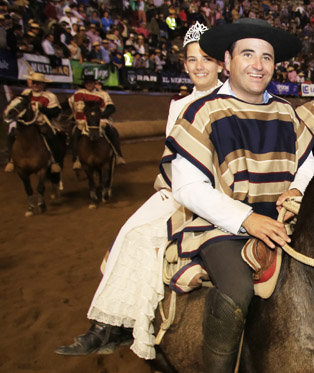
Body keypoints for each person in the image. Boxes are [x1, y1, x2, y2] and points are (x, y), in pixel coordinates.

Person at [55, 22, 224, 359]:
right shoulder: (178, 105)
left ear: (221, 62)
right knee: (128, 231)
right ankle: (107, 325)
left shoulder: (230, 98)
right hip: (178, 187)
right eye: (192, 60)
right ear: (184, 65)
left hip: (217, 190)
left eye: (206, 58)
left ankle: (114, 327)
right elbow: (171, 153)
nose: (199, 66)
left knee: (149, 239)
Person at [160, 18, 314, 371]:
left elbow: (310, 162)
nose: (258, 65)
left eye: (266, 57)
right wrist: (247, 218)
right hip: (220, 227)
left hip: (280, 223)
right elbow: (187, 187)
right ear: (227, 61)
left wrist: (296, 187)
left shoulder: (287, 113)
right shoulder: (201, 112)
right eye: (248, 54)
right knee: (237, 291)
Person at [4, 72, 63, 173]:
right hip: (25, 122)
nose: (35, 85)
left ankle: (55, 161)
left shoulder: (50, 96)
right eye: (34, 82)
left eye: (38, 83)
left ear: (43, 84)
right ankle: (11, 160)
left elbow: (56, 112)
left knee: (50, 136)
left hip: (41, 121)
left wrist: (42, 109)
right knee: (11, 135)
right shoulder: (26, 92)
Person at [69, 75, 126, 168]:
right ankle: (76, 159)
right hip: (82, 122)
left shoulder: (103, 94)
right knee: (74, 135)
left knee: (113, 132)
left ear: (95, 83)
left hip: (100, 121)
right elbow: (70, 104)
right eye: (87, 83)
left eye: (91, 82)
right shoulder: (77, 94)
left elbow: (111, 107)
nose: (89, 85)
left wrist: (103, 115)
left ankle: (118, 154)